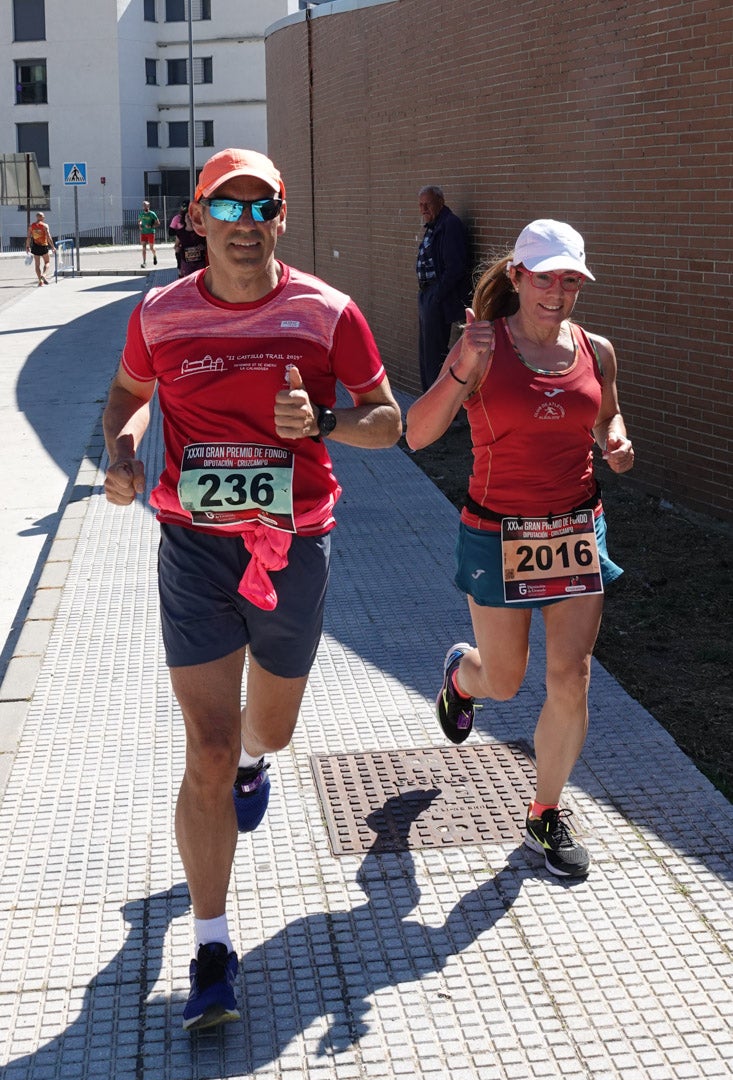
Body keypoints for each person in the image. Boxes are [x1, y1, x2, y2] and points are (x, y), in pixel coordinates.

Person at [102, 147, 402, 1031]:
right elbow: (125, 398)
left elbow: (386, 421)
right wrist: (119, 452)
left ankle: (254, 764)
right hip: (194, 546)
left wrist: (328, 421)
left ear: (281, 215)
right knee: (204, 745)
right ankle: (212, 945)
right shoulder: (160, 313)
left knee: (265, 732)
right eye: (223, 209)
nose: (242, 224)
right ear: (197, 220)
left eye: (258, 207)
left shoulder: (327, 312)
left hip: (294, 548)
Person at [406, 218, 634, 880]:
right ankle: (461, 677)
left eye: (569, 281)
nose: (557, 294)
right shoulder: (480, 346)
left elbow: (606, 414)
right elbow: (418, 434)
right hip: (497, 531)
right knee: (503, 680)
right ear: (515, 278)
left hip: (572, 530)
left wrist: (615, 441)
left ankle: (543, 814)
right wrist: (462, 370)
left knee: (570, 675)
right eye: (544, 279)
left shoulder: (596, 350)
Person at [416, 185, 471, 392]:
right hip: (427, 295)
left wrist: (436, 296)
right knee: (425, 353)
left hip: (437, 297)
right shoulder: (434, 226)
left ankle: (436, 408)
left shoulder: (450, 225)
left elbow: (456, 267)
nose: (423, 209)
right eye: (420, 205)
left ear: (440, 201)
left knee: (434, 354)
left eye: (427, 204)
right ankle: (426, 400)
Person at [171, 207, 208, 277]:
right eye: (188, 216)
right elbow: (176, 246)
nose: (190, 219)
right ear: (184, 219)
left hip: (200, 264)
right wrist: (177, 249)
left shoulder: (200, 232)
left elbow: (208, 246)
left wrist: (203, 247)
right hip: (186, 264)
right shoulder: (180, 233)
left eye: (191, 217)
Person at [25, 212, 56, 286]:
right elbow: (48, 237)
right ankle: (44, 275)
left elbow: (29, 237)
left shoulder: (31, 226)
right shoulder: (45, 226)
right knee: (47, 262)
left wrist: (27, 246)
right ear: (41, 217)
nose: (44, 217)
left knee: (37, 265)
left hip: (35, 247)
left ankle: (40, 281)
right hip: (43, 246)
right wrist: (53, 247)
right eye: (43, 216)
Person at [169, 201, 189, 274]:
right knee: (181, 264)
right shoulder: (177, 218)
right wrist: (180, 233)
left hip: (194, 241)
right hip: (182, 242)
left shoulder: (194, 217)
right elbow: (171, 232)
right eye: (184, 207)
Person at [138, 200, 160, 267]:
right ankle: (144, 262)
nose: (145, 207)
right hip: (143, 233)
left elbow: (158, 223)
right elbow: (139, 221)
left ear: (149, 206)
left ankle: (154, 256)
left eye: (147, 206)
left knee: (151, 248)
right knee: (143, 247)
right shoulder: (141, 214)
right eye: (144, 206)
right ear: (143, 207)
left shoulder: (152, 214)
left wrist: (151, 226)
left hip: (150, 232)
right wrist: (140, 226)